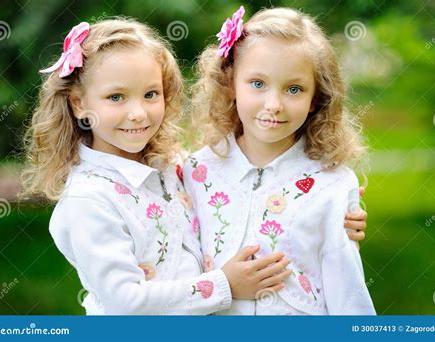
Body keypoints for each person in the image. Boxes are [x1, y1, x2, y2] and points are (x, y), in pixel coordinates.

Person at [19, 18, 292, 315]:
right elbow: (126, 302)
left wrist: (336, 211)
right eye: (116, 97)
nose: (138, 113)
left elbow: (238, 194)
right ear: (78, 103)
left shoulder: (170, 166)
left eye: (151, 94)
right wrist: (224, 285)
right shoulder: (89, 200)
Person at [185, 7, 375, 315]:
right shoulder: (195, 172)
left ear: (315, 99)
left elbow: (347, 291)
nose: (274, 105)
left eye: (294, 89)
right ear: (231, 82)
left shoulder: (333, 183)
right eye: (258, 83)